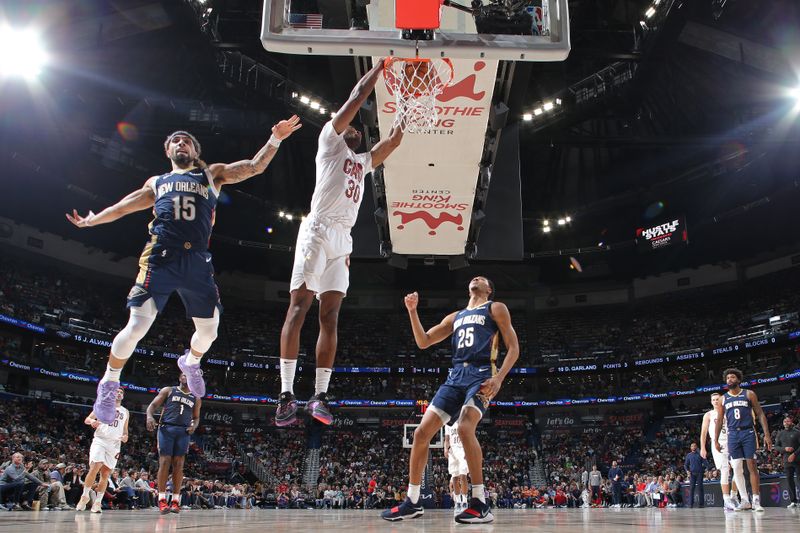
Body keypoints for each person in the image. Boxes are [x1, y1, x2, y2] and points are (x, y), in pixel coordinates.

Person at [66, 116, 302, 425]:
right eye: (175, 141)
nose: (181, 143)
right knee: (137, 326)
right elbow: (123, 206)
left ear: (194, 150)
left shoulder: (211, 174)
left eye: (186, 141)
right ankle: (109, 384)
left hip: (196, 262)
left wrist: (275, 139)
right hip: (160, 257)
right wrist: (92, 220)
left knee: (210, 331)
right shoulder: (157, 182)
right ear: (168, 151)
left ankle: (190, 362)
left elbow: (254, 166)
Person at [276, 59, 404, 427]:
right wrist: (379, 70)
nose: (356, 130)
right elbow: (356, 96)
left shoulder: (361, 163)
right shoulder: (329, 141)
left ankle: (319, 396)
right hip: (317, 230)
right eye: (349, 123)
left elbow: (392, 142)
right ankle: (286, 395)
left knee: (330, 316)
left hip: (342, 241)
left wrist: (407, 106)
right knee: (299, 307)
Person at [381, 277, 519, 524]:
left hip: (481, 375)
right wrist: (412, 312)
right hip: (455, 377)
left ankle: (480, 502)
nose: (476, 278)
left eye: (482, 279)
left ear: (489, 289)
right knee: (421, 434)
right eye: (473, 277)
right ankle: (412, 502)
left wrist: (499, 378)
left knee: (466, 427)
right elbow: (424, 341)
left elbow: (514, 348)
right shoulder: (455, 316)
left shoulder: (495, 308)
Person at [714, 368, 771, 512]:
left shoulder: (749, 394)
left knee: (752, 466)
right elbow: (720, 420)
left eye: (732, 377)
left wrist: (767, 434)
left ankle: (756, 500)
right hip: (732, 435)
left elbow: (760, 414)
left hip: (748, 432)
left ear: (738, 380)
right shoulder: (723, 399)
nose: (729, 380)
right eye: (727, 378)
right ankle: (745, 500)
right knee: (737, 467)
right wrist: (715, 439)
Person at [147, 373, 201, 514]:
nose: (185, 377)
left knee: (179, 464)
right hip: (167, 428)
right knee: (165, 462)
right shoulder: (169, 390)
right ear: (179, 378)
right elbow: (152, 405)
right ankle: (162, 499)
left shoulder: (196, 397)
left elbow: (196, 418)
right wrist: (149, 416)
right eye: (183, 375)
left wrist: (194, 426)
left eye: (187, 375)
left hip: (183, 431)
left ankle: (176, 501)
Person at [77, 387, 130, 513]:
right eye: (117, 391)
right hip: (100, 440)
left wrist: (125, 437)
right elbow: (87, 419)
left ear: (123, 396)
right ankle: (84, 496)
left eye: (121, 392)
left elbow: (126, 431)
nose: (119, 393)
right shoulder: (102, 405)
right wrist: (93, 422)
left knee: (105, 474)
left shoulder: (125, 411)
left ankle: (97, 502)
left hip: (115, 444)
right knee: (95, 466)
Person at [700, 392, 738, 511]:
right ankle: (726, 500)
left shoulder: (728, 410)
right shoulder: (708, 415)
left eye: (718, 399)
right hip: (718, 444)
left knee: (738, 469)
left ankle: (733, 495)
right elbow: (703, 432)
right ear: (711, 402)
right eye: (714, 400)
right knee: (725, 471)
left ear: (721, 400)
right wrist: (702, 447)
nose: (716, 401)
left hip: (732, 441)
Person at [774, 415, 800, 508]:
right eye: (785, 421)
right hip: (786, 461)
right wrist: (785, 449)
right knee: (790, 481)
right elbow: (776, 446)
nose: (786, 423)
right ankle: (793, 501)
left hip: (798, 460)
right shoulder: (780, 434)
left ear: (791, 422)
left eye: (788, 421)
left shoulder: (797, 433)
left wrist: (794, 454)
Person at [444, 420, 468, 514]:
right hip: (452, 451)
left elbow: (469, 437)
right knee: (454, 477)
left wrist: (467, 450)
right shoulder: (448, 423)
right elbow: (447, 439)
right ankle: (458, 502)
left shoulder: (464, 420)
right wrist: (446, 448)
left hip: (463, 450)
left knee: (463, 475)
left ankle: (465, 501)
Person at [684, 442, 706, 508]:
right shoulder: (689, 455)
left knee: (700, 488)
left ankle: (701, 504)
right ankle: (690, 504)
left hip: (700, 473)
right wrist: (687, 471)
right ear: (690, 448)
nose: (693, 447)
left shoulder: (700, 454)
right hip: (692, 474)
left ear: (696, 447)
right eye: (692, 446)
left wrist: (705, 470)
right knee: (692, 488)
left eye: (694, 446)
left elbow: (705, 463)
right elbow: (685, 465)